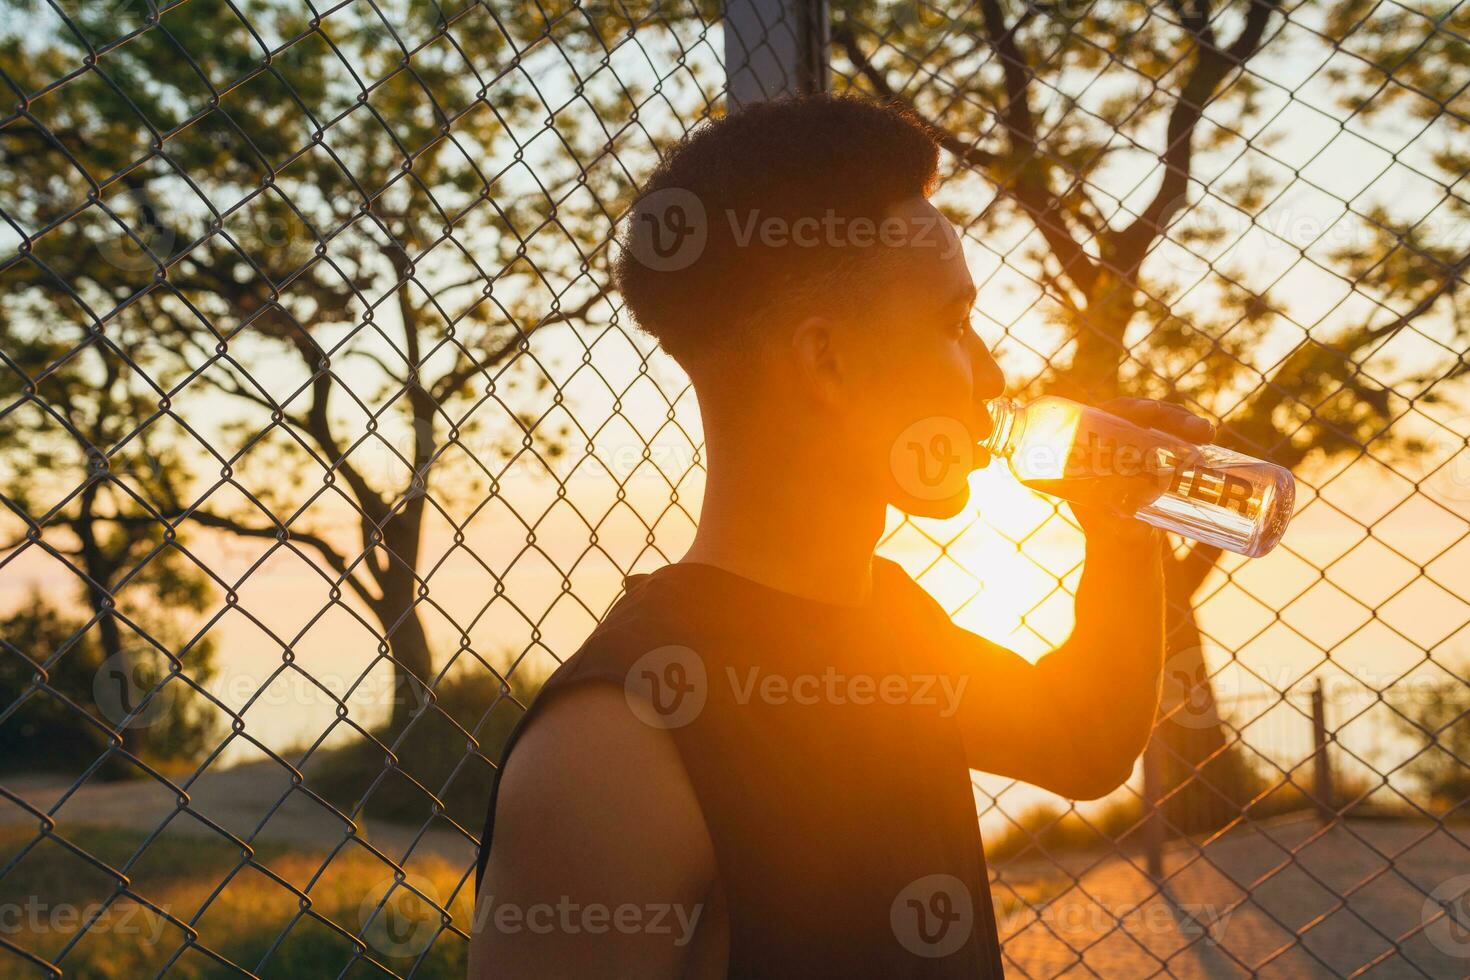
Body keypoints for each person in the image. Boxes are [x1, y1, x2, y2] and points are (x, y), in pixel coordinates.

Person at [467, 94, 1213, 978]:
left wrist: (1120, 530)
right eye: (953, 325)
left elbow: (1084, 741)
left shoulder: (887, 619)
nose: (993, 372)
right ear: (828, 361)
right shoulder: (616, 743)